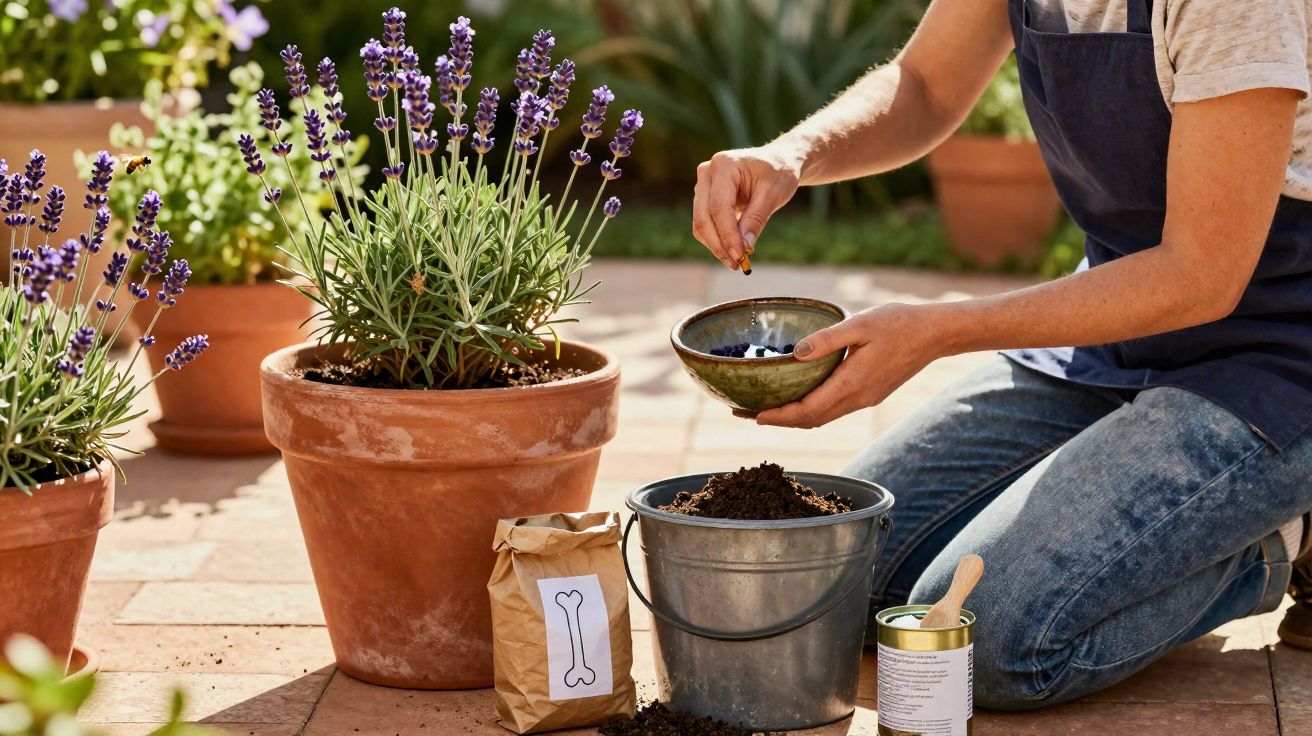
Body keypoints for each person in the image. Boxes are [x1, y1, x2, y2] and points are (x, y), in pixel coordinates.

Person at [691, 0, 1312, 710]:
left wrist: (938, 331)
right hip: (1111, 332)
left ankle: (1277, 541)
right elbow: (924, 84)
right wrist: (788, 155)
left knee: (983, 642)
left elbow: (1201, 275)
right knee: (831, 584)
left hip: (1278, 352)